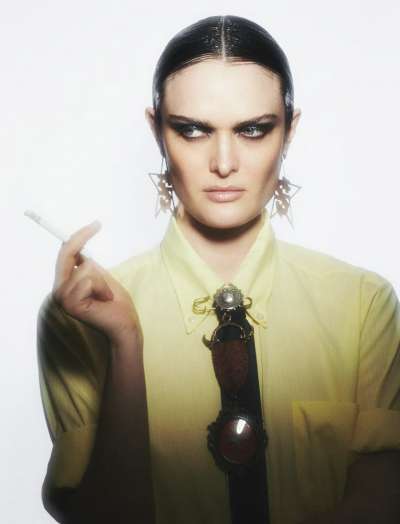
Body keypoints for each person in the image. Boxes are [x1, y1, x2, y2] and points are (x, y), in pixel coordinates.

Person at [36, 14, 400, 524]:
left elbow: (381, 502)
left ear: (289, 130)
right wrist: (125, 344)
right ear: (157, 130)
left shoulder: (362, 306)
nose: (224, 163)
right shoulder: (79, 318)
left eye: (253, 130)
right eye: (192, 130)